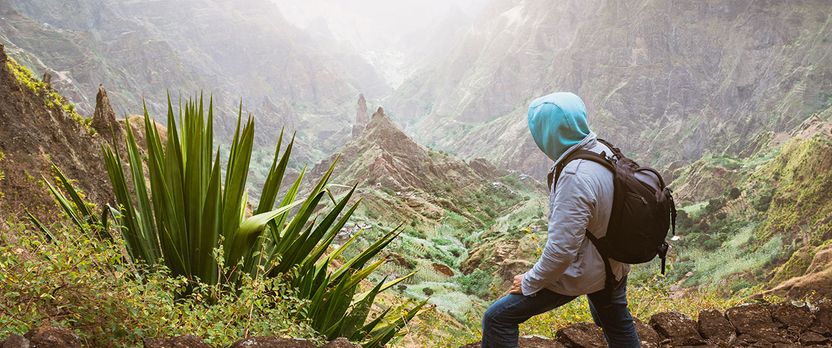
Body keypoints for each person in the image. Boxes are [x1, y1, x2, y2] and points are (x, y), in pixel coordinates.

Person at [480, 92, 640, 348]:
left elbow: (561, 251)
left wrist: (530, 281)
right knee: (616, 321)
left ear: (548, 134)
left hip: (586, 270)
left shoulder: (574, 176)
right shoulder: (603, 149)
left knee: (498, 318)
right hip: (615, 263)